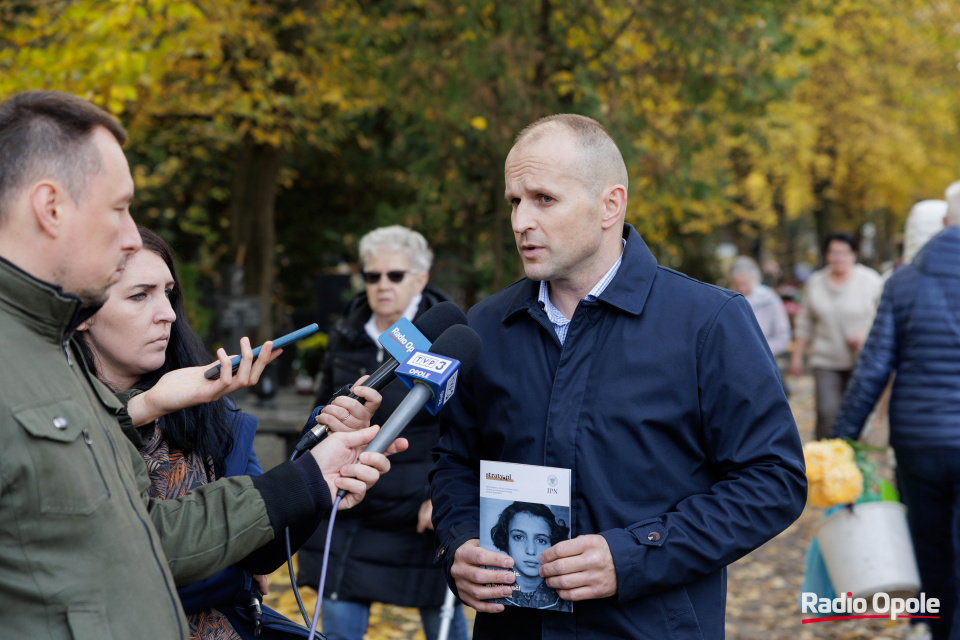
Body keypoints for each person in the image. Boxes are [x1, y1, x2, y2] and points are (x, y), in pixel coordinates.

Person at [0, 90, 403, 639]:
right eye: (118, 209)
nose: (127, 236)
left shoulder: (50, 346)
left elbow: (137, 533)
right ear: (50, 207)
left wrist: (312, 473)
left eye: (167, 292)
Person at [430, 114, 806, 639]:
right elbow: (454, 462)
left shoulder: (707, 321)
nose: (520, 221)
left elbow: (773, 481)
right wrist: (459, 542)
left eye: (544, 199)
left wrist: (633, 555)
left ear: (611, 205)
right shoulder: (485, 327)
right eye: (514, 201)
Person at [75, 226, 379, 639]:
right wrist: (233, 577)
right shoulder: (56, 416)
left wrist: (319, 466)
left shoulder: (211, 411)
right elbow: (117, 567)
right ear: (84, 312)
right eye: (139, 295)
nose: (165, 311)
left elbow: (261, 550)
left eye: (169, 293)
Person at [299, 225, 468, 640]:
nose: (382, 286)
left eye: (395, 275)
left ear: (421, 279)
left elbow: (464, 428)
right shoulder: (347, 334)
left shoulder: (449, 341)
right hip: (353, 508)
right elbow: (320, 408)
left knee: (447, 630)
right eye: (372, 276)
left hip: (418, 512)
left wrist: (442, 496)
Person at [831, 183, 960, 640]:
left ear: (945, 222)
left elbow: (872, 369)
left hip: (918, 441)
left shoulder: (903, 282)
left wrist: (842, 438)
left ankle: (929, 627)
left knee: (929, 545)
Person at [789, 232, 882, 439]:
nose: (838, 257)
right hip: (825, 359)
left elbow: (882, 316)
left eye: (843, 252)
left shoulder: (870, 281)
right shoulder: (815, 282)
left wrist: (865, 334)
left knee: (857, 412)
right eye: (833, 252)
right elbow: (805, 321)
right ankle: (824, 460)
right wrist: (797, 355)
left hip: (861, 359)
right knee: (826, 411)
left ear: (854, 255)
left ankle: (855, 462)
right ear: (827, 255)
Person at [488, 502, 572, 612]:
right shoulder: (490, 591)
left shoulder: (566, 598)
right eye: (519, 537)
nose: (531, 550)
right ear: (505, 540)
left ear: (552, 544)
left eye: (541, 540)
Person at [727, 256, 792, 358]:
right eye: (737, 284)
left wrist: (758, 352)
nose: (741, 288)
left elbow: (783, 336)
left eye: (744, 284)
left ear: (754, 280)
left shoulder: (769, 298)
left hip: (765, 358)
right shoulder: (729, 300)